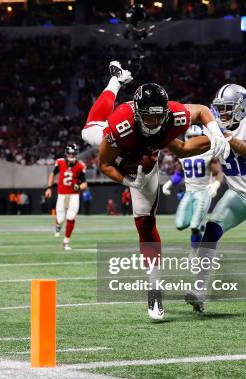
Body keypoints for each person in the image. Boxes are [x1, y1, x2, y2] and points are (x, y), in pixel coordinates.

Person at [82, 61, 230, 321]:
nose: (155, 120)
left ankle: (154, 288)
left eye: (159, 115)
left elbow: (203, 111)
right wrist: (128, 182)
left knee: (145, 222)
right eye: (148, 115)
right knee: (88, 131)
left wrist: (217, 133)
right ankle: (115, 82)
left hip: (146, 161)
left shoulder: (174, 115)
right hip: (125, 161)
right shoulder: (120, 125)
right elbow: (104, 164)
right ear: (138, 113)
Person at [185, 84, 246, 315]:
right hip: (237, 195)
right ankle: (199, 292)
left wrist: (225, 136)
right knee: (211, 230)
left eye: (227, 108)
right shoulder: (216, 128)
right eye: (219, 109)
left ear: (242, 107)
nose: (221, 114)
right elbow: (185, 149)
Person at [162, 124, 224, 256]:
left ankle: (195, 251)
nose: (194, 141)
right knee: (180, 224)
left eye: (197, 137)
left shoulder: (209, 153)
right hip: (189, 193)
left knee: (194, 226)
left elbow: (218, 172)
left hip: (203, 192)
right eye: (192, 138)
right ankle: (200, 224)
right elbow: (179, 174)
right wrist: (169, 183)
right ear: (187, 138)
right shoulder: (183, 154)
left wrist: (216, 184)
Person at [44, 144, 88, 250]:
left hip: (73, 195)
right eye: (70, 153)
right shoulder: (60, 162)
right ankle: (58, 225)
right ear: (66, 153)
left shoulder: (80, 166)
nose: (71, 155)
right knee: (60, 217)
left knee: (71, 217)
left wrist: (78, 187)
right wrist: (49, 187)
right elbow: (52, 174)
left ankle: (66, 241)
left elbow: (85, 184)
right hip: (62, 194)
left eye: (74, 153)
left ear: (76, 154)